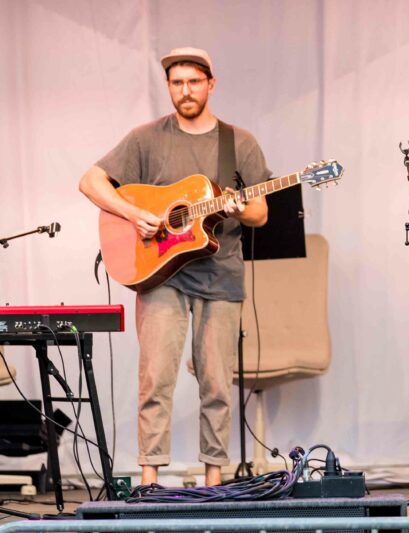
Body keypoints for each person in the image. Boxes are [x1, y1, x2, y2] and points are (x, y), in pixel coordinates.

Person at [79, 47, 270, 487]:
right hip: (160, 275)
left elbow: (260, 213)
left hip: (221, 276)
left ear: (211, 84)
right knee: (156, 379)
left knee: (217, 384)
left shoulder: (238, 143)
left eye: (194, 82)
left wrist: (239, 208)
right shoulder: (146, 139)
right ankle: (149, 479)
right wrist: (132, 214)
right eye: (177, 83)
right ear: (168, 87)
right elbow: (90, 181)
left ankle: (214, 480)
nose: (186, 91)